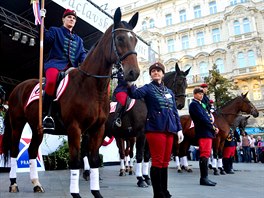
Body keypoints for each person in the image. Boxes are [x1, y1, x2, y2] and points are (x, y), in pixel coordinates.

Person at [126, 62, 184, 198]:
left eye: (158, 71)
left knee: (165, 162)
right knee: (157, 161)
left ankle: (164, 190)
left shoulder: (169, 92)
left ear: (163, 74)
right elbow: (135, 94)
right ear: (151, 75)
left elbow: (174, 111)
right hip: (155, 128)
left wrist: (179, 129)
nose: (156, 73)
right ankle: (157, 193)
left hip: (170, 129)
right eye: (153, 71)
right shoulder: (147, 88)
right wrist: (129, 82)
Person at [42, 9, 87, 130]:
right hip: (55, 65)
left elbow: (83, 56)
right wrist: (41, 23)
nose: (72, 19)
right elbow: (46, 40)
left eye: (74, 18)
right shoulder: (55, 31)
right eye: (69, 17)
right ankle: (46, 115)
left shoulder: (79, 40)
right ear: (63, 19)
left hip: (73, 69)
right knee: (51, 81)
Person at [189, 87, 219, 186]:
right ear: (194, 94)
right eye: (199, 94)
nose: (201, 95)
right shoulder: (194, 104)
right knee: (204, 154)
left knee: (206, 154)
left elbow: (207, 117)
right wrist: (213, 127)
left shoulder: (200, 104)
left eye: (202, 94)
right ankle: (203, 178)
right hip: (203, 131)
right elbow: (202, 118)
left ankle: (205, 177)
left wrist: (214, 126)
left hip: (206, 131)